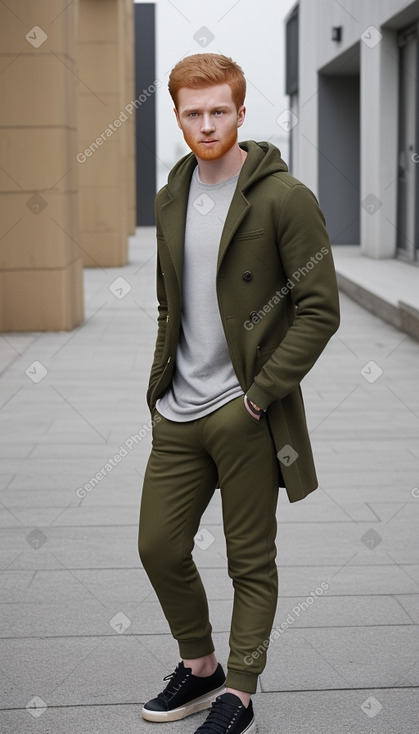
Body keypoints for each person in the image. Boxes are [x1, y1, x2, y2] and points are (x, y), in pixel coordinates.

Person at [138, 53, 340, 734]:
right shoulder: (170, 195)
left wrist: (257, 396)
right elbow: (171, 304)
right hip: (177, 411)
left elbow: (318, 308)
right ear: (176, 115)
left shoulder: (284, 198)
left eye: (217, 110)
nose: (205, 123)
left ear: (241, 112)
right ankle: (201, 669)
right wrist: (159, 385)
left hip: (245, 413)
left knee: (248, 558)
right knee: (158, 548)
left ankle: (240, 694)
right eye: (192, 112)